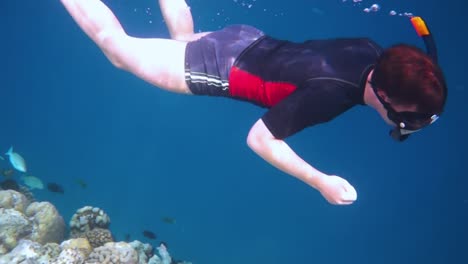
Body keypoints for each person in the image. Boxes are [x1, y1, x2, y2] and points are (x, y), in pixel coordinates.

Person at [60, 0, 447, 205]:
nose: (405, 126)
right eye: (405, 120)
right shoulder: (331, 95)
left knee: (185, 35)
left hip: (247, 39)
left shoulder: (372, 50)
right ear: (383, 96)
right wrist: (321, 181)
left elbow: (414, 72)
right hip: (219, 67)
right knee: (116, 49)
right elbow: (260, 139)